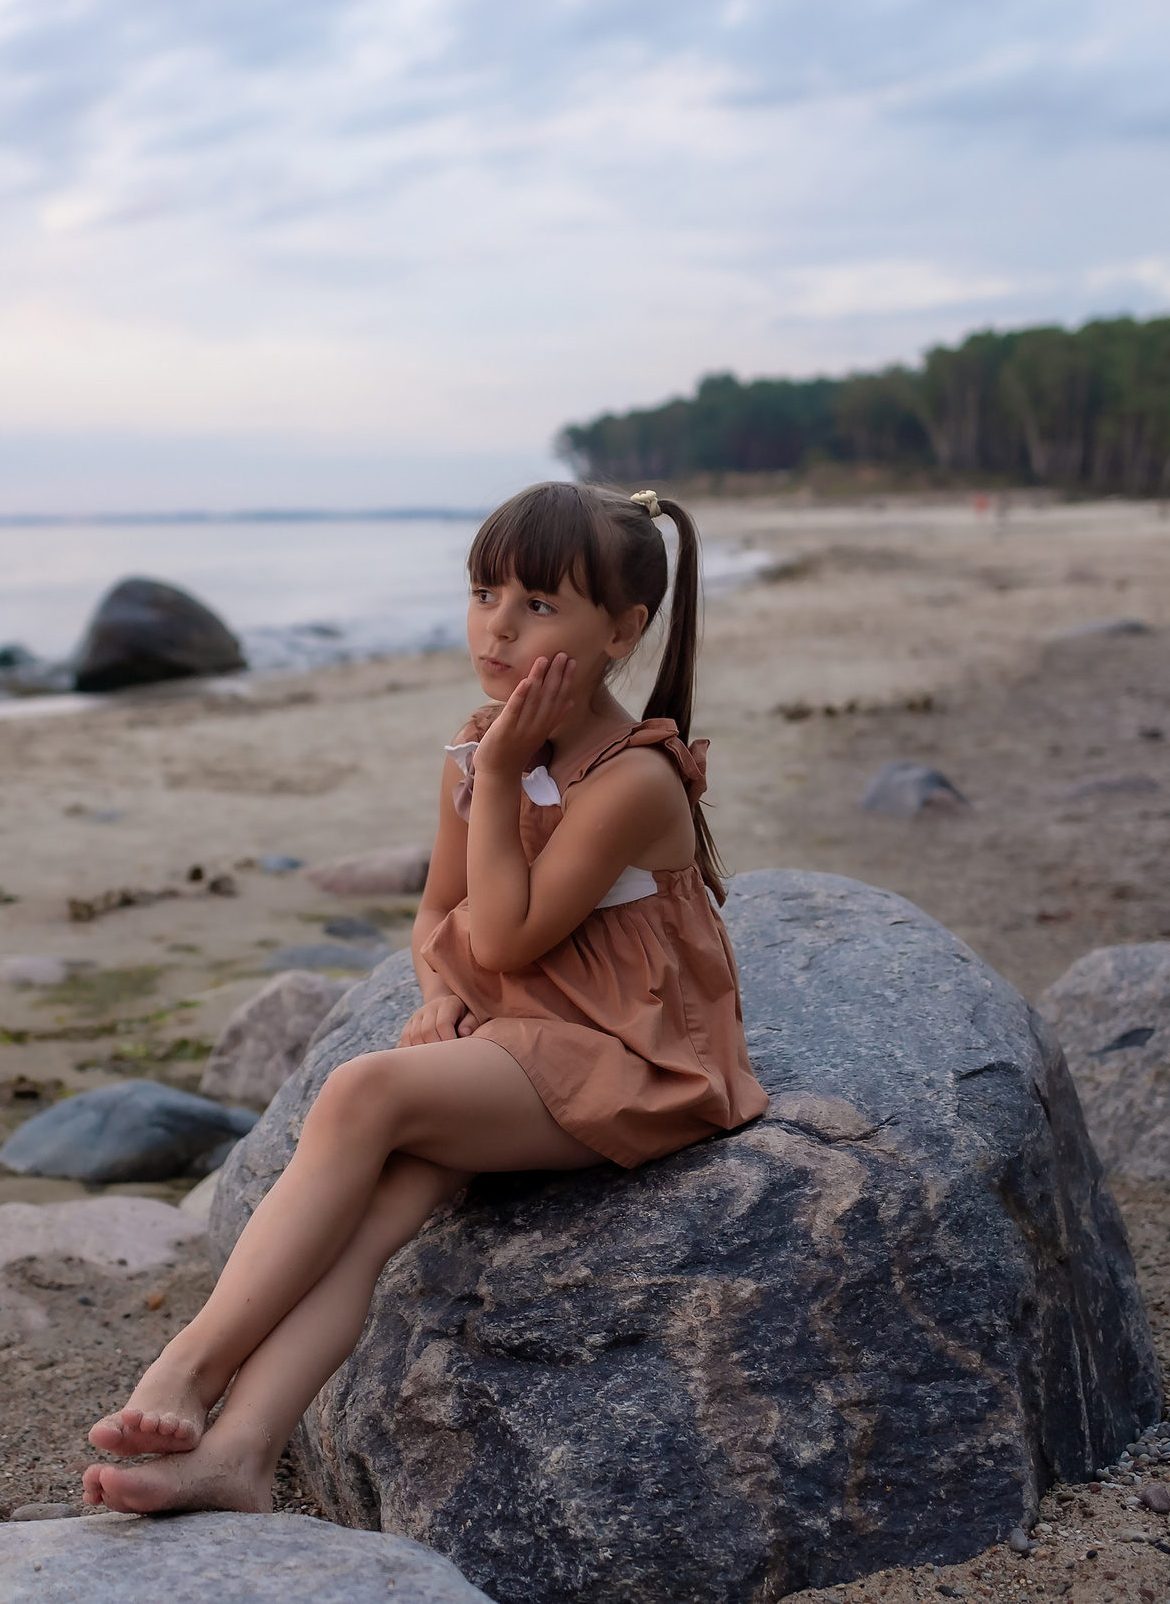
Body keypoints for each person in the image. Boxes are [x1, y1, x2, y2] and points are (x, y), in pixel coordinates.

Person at [80, 481, 769, 1514]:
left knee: (365, 1096)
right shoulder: (482, 741)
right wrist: (447, 991)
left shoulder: (631, 781)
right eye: (484, 591)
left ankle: (186, 1367)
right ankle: (241, 1455)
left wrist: (495, 784)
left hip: (637, 1062)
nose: (497, 624)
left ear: (623, 629)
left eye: (539, 604)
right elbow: (439, 913)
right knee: (378, 1208)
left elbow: (504, 933)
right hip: (533, 1034)